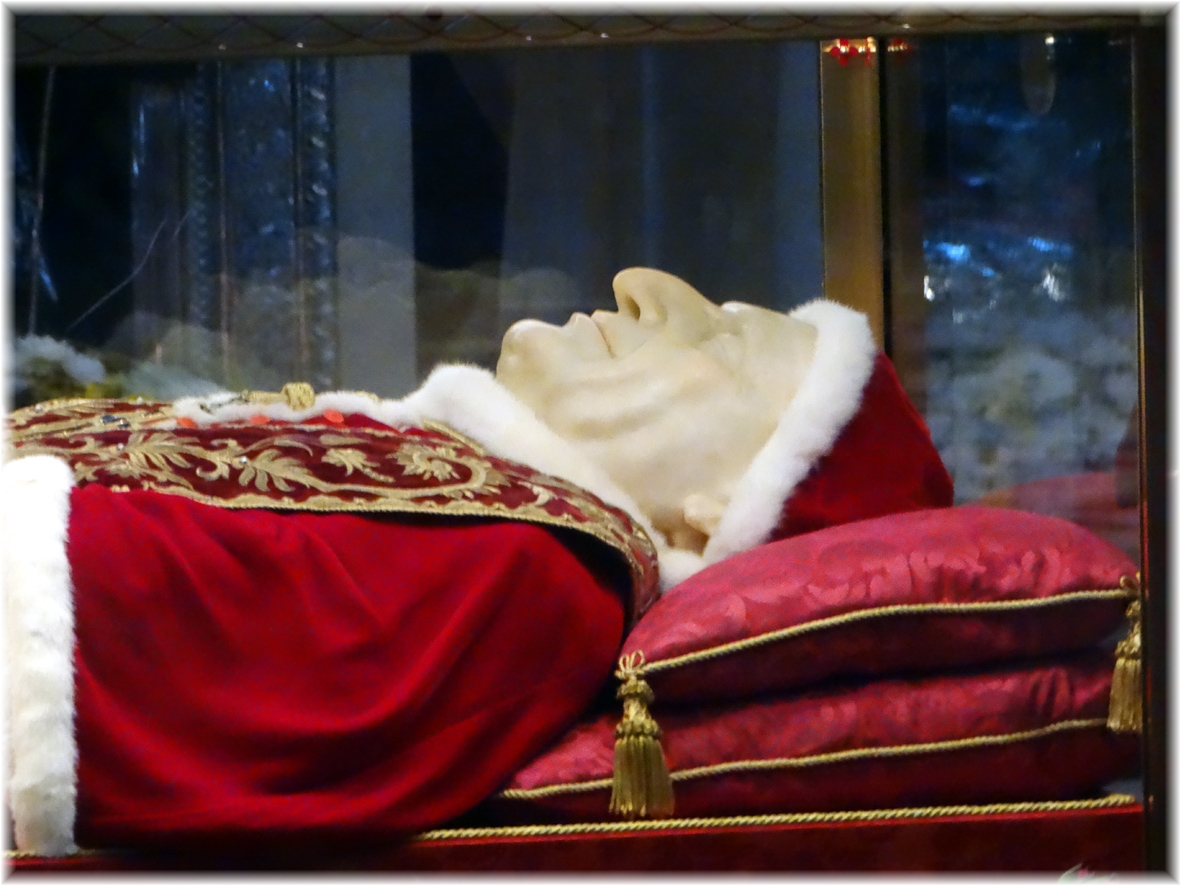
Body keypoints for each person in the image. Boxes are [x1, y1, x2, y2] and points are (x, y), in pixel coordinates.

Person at [4, 267, 951, 856]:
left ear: (716, 510)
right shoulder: (492, 497)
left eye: (724, 339)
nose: (643, 285)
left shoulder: (532, 568)